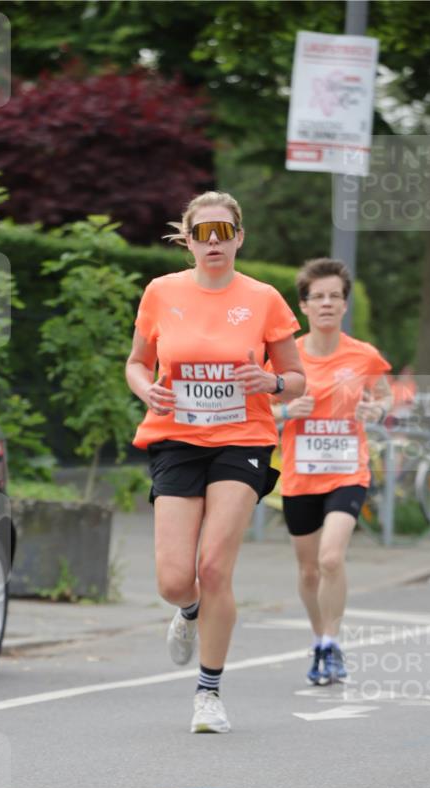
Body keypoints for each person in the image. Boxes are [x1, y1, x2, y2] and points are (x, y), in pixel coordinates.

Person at [125, 191, 306, 733]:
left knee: (213, 568)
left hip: (242, 439)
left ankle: (209, 692)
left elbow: (296, 378)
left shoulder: (264, 298)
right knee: (176, 579)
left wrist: (271, 382)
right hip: (177, 438)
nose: (214, 243)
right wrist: (146, 391)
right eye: (202, 233)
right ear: (188, 239)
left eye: (223, 232)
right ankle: (188, 611)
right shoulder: (161, 292)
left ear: (238, 238)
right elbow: (137, 363)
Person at [270, 258, 392, 686]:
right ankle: (319, 636)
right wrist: (286, 410)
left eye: (334, 297)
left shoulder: (363, 355)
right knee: (307, 570)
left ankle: (332, 644)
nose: (326, 304)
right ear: (303, 306)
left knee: (330, 557)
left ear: (344, 304)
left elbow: (384, 397)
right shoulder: (288, 359)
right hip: (301, 475)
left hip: (347, 472)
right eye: (317, 297)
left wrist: (375, 408)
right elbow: (259, 408)